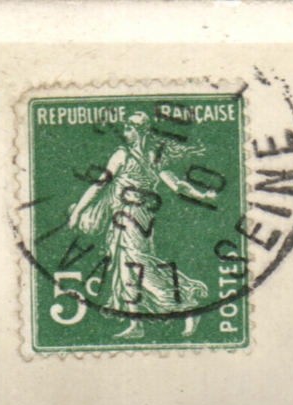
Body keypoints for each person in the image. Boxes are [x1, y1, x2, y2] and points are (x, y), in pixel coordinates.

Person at [67, 113, 209, 339]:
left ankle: (188, 304)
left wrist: (199, 193)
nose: (125, 133)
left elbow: (175, 184)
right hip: (122, 218)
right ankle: (136, 325)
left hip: (137, 218)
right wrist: (78, 211)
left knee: (140, 266)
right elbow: (99, 185)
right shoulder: (129, 155)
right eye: (126, 129)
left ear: (140, 130)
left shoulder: (143, 156)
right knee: (126, 270)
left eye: (130, 129)